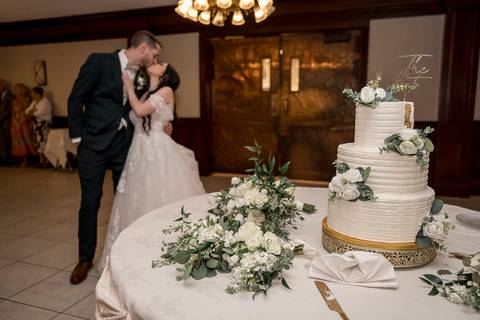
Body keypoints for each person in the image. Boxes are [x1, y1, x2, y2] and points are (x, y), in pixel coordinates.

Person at [67, 30, 172, 285]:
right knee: (90, 201)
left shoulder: (143, 76)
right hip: (93, 145)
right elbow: (76, 98)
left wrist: (166, 122)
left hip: (123, 146)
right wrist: (78, 138)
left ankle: (125, 254)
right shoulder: (100, 61)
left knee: (125, 200)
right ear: (144, 49)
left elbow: (144, 105)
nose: (156, 58)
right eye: (155, 53)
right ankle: (84, 259)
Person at [98, 64, 206, 272]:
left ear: (165, 74)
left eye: (161, 63)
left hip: (157, 150)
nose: (156, 62)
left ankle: (166, 252)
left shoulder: (166, 91)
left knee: (158, 195)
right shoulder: (150, 92)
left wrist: (129, 87)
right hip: (138, 150)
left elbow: (139, 110)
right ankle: (136, 253)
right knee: (138, 198)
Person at [25, 86, 52, 167]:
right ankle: (41, 161)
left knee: (44, 143)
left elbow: (39, 113)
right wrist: (32, 111)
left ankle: (47, 162)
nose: (32, 95)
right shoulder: (34, 102)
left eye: (33, 93)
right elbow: (26, 111)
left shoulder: (45, 102)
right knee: (38, 143)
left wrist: (32, 111)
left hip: (43, 125)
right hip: (36, 125)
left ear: (38, 94)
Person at [11, 83, 37, 166]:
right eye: (15, 89)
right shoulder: (13, 101)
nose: (16, 91)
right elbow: (13, 112)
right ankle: (21, 159)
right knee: (17, 142)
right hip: (15, 123)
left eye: (17, 89)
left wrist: (22, 120)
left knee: (26, 140)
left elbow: (28, 111)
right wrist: (15, 121)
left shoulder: (27, 99)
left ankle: (31, 159)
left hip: (24, 122)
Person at [0, 79, 14, 165]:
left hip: (6, 120)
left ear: (3, 86)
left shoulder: (10, 96)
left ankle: (8, 157)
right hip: (1, 119)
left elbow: (9, 109)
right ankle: (3, 156)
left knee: (7, 138)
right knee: (1, 139)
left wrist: (1, 117)